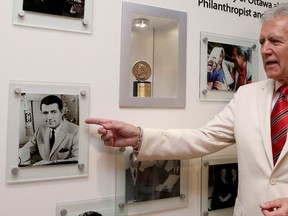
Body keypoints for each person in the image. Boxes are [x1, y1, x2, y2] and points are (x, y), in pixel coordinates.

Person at [85, 3, 288, 216]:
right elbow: (202, 138)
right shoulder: (247, 95)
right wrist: (138, 136)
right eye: (262, 42)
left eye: (274, 41)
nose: (265, 50)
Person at [18, 95, 79, 166]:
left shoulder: (76, 131)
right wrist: (18, 159)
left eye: (53, 112)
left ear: (62, 112)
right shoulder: (40, 129)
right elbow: (28, 149)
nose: (49, 117)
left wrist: (50, 163)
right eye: (45, 113)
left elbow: (77, 159)